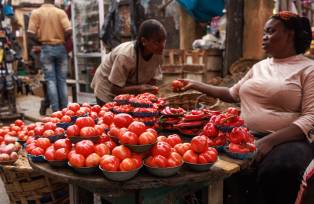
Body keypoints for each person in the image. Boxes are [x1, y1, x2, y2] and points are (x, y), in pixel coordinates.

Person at [179, 11, 314, 204]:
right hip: (244, 136)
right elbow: (232, 94)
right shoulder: (259, 67)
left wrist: (269, 141)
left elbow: (310, 118)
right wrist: (196, 85)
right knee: (207, 163)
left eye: (271, 31)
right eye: (264, 32)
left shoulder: (308, 69)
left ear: (290, 34)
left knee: (279, 170)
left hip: (287, 140)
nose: (264, 37)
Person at [91, 19, 166, 106]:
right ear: (144, 41)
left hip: (130, 90)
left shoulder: (157, 53)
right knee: (112, 116)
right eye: (157, 42)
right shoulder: (125, 55)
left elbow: (153, 80)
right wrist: (140, 88)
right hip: (106, 88)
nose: (162, 46)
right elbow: (114, 89)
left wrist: (149, 93)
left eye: (164, 41)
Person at [27, 0, 72, 112]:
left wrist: (40, 43)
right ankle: (65, 111)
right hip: (60, 48)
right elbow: (69, 30)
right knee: (62, 80)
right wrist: (61, 40)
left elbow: (30, 33)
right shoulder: (60, 12)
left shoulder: (36, 13)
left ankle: (56, 111)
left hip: (46, 49)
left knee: (51, 81)